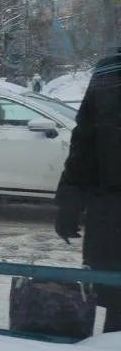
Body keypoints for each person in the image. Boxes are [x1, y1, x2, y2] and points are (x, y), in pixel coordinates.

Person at [55, 50, 121, 333]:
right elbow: (85, 145)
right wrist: (70, 201)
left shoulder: (110, 73)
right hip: (112, 213)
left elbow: (84, 143)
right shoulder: (110, 72)